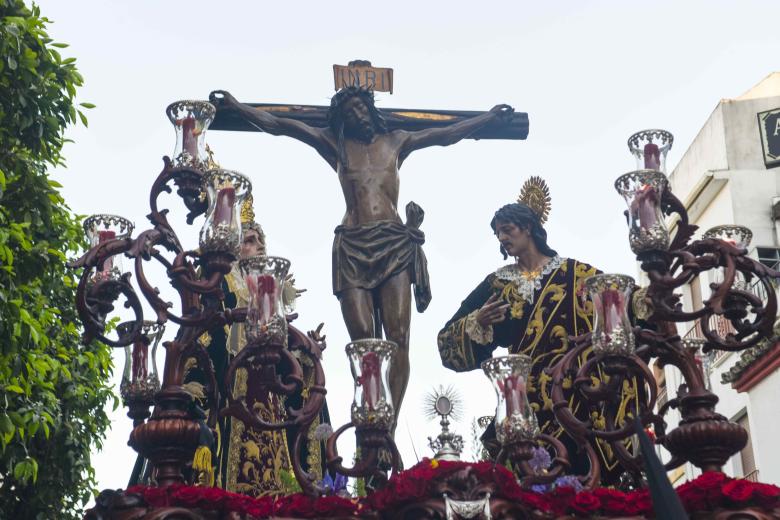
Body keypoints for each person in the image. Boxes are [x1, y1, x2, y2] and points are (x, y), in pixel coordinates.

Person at [210, 87, 513, 430]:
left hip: (393, 243)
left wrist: (487, 118)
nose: (358, 116)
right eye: (350, 112)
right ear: (342, 119)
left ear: (371, 110)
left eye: (361, 108)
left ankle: (389, 427)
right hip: (352, 247)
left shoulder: (397, 141)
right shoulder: (335, 145)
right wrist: (237, 106)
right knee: (364, 344)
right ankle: (370, 422)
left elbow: (444, 134)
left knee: (398, 339)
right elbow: (280, 125)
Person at [437, 177, 634, 483]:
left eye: (507, 229)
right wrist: (478, 322)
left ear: (527, 228)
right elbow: (446, 342)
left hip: (576, 398)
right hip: (524, 403)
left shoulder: (574, 274)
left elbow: (616, 300)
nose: (501, 237)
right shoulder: (497, 284)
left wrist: (647, 301)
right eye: (497, 233)